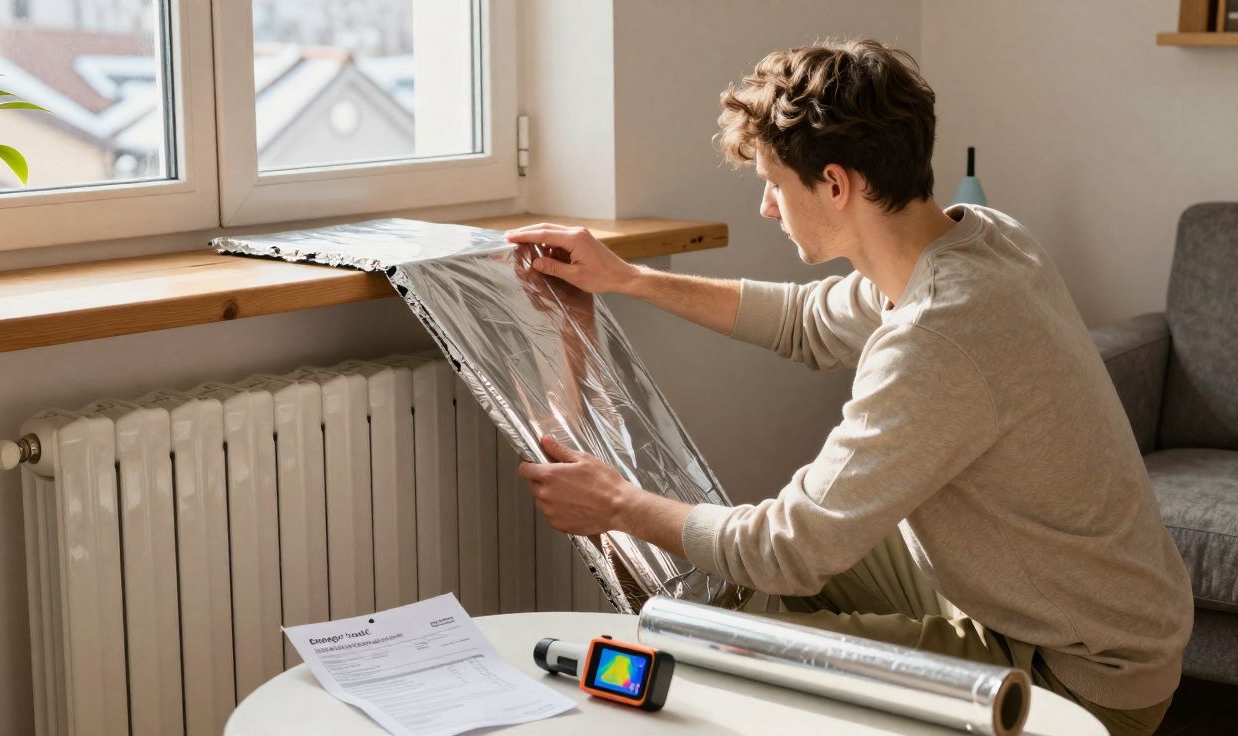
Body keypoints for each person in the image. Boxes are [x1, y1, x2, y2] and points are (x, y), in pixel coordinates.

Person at [506, 39, 1191, 736]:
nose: (769, 208)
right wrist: (628, 277)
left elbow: (789, 547)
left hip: (1077, 670)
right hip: (1057, 602)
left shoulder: (939, 335)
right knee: (740, 583)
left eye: (775, 182)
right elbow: (806, 321)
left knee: (726, 648)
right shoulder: (980, 238)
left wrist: (618, 505)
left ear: (836, 185)